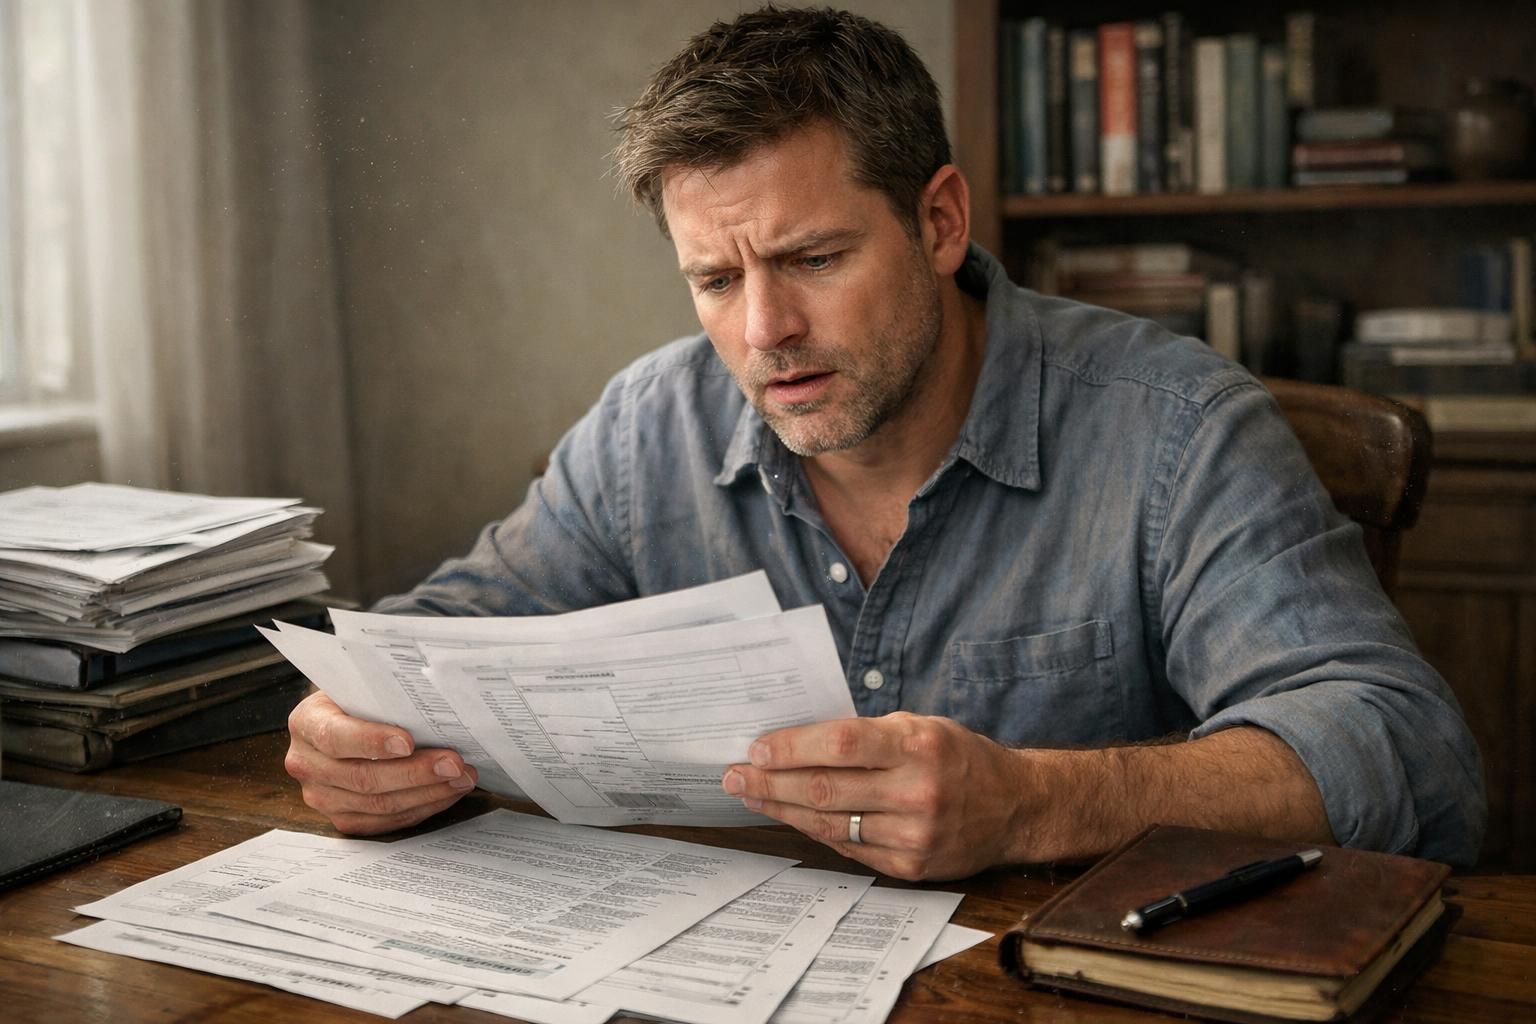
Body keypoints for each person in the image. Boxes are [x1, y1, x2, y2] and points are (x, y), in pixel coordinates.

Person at [284, 6, 1484, 879]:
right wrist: (353, 730)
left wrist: (1032, 804)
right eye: (713, 278)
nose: (763, 333)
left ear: (941, 220)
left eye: (813, 259)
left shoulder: (1174, 428)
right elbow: (441, 638)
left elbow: (1410, 755)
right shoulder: (649, 425)